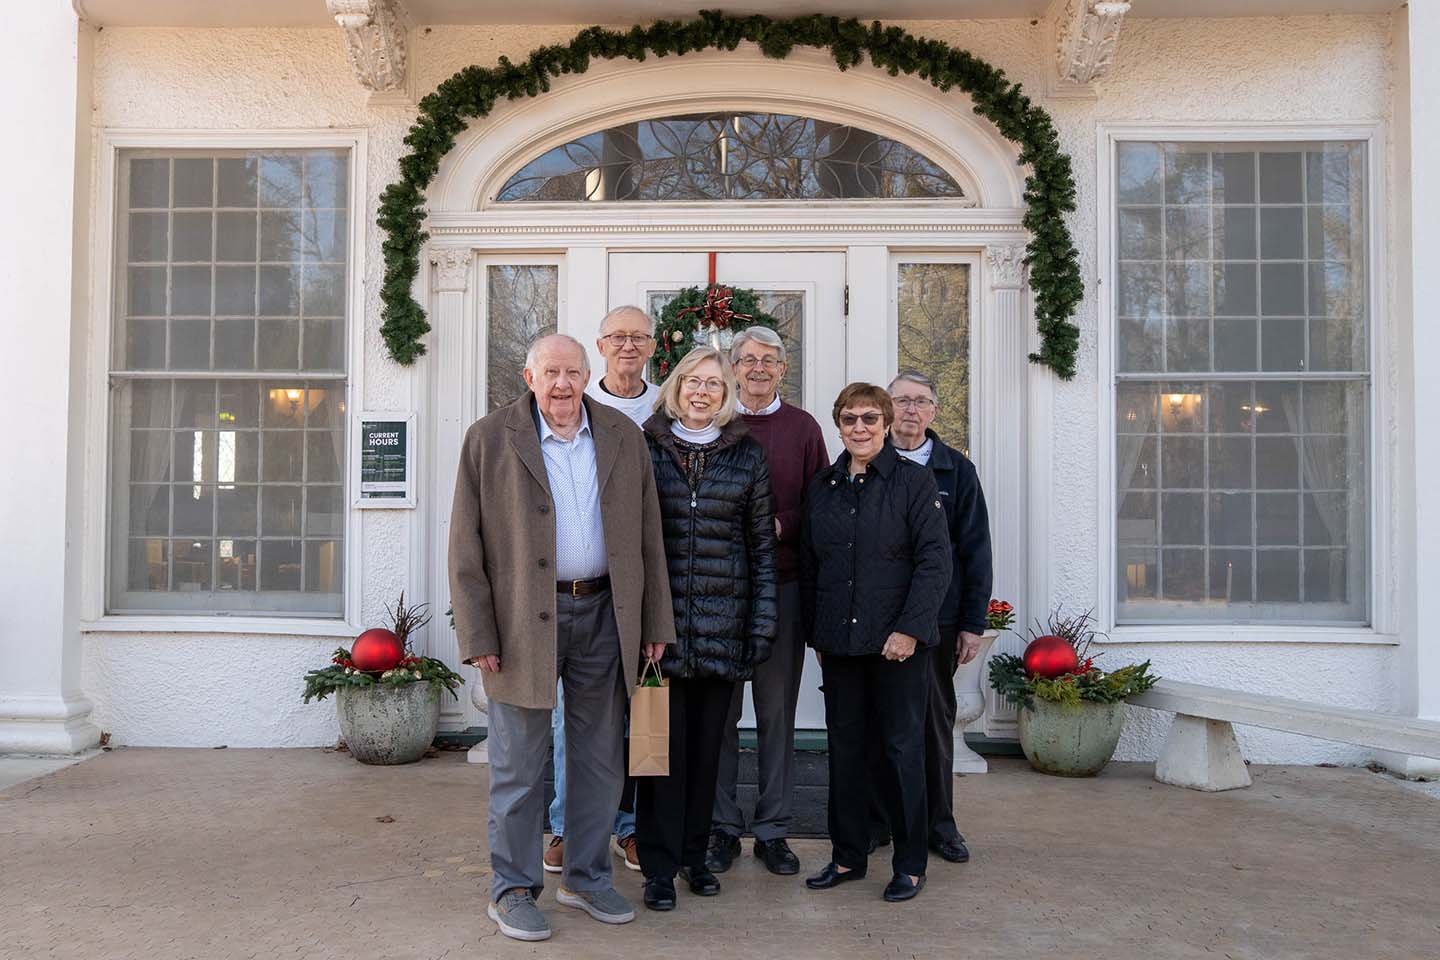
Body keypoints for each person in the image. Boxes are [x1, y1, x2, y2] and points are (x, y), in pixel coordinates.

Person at [448, 333, 674, 942]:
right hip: (522, 622)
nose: (562, 385)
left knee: (600, 760)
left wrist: (655, 624)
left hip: (605, 614)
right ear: (528, 376)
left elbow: (649, 536)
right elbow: (464, 546)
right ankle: (514, 887)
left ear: (587, 372)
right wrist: (477, 632)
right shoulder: (490, 439)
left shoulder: (624, 437)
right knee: (519, 764)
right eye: (550, 372)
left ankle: (587, 875)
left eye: (572, 372)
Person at [636, 346, 778, 911]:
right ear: (676, 387)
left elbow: (762, 548)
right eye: (693, 381)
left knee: (706, 757)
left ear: (727, 394)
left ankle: (695, 858)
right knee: (657, 757)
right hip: (659, 638)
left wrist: (760, 627)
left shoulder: (746, 456)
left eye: (714, 384)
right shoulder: (645, 447)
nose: (702, 392)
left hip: (723, 630)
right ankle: (657, 868)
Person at [800, 383, 951, 903]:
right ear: (837, 426)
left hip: (898, 647)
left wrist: (909, 629)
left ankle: (910, 863)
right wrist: (817, 633)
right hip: (841, 646)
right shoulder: (824, 486)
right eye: (848, 419)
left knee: (901, 751)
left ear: (886, 424)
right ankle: (847, 856)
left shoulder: (913, 481)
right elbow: (812, 566)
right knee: (845, 753)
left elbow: (935, 562)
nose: (859, 428)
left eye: (869, 419)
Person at [707, 326, 828, 877]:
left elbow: (822, 507)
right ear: (733, 367)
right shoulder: (715, 423)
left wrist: (776, 524)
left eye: (768, 361)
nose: (757, 369)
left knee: (776, 714)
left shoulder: (802, 428)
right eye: (747, 359)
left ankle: (774, 829)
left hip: (783, 587)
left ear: (783, 369)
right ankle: (722, 828)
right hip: (721, 594)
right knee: (721, 714)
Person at [545, 305, 660, 877]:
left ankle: (630, 825)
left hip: (643, 579)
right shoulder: (576, 408)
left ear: (653, 346)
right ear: (600, 349)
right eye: (618, 337)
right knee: (576, 717)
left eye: (639, 337)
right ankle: (568, 824)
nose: (628, 346)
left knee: (644, 715)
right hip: (583, 593)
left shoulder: (665, 406)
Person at [868, 371, 994, 864]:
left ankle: (940, 825)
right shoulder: (868, 464)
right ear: (887, 408)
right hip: (877, 622)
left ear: (935, 411)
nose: (911, 410)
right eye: (902, 401)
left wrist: (972, 621)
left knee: (932, 726)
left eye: (921, 401)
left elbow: (975, 551)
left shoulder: (955, 471)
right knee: (880, 726)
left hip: (936, 623)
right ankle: (880, 821)